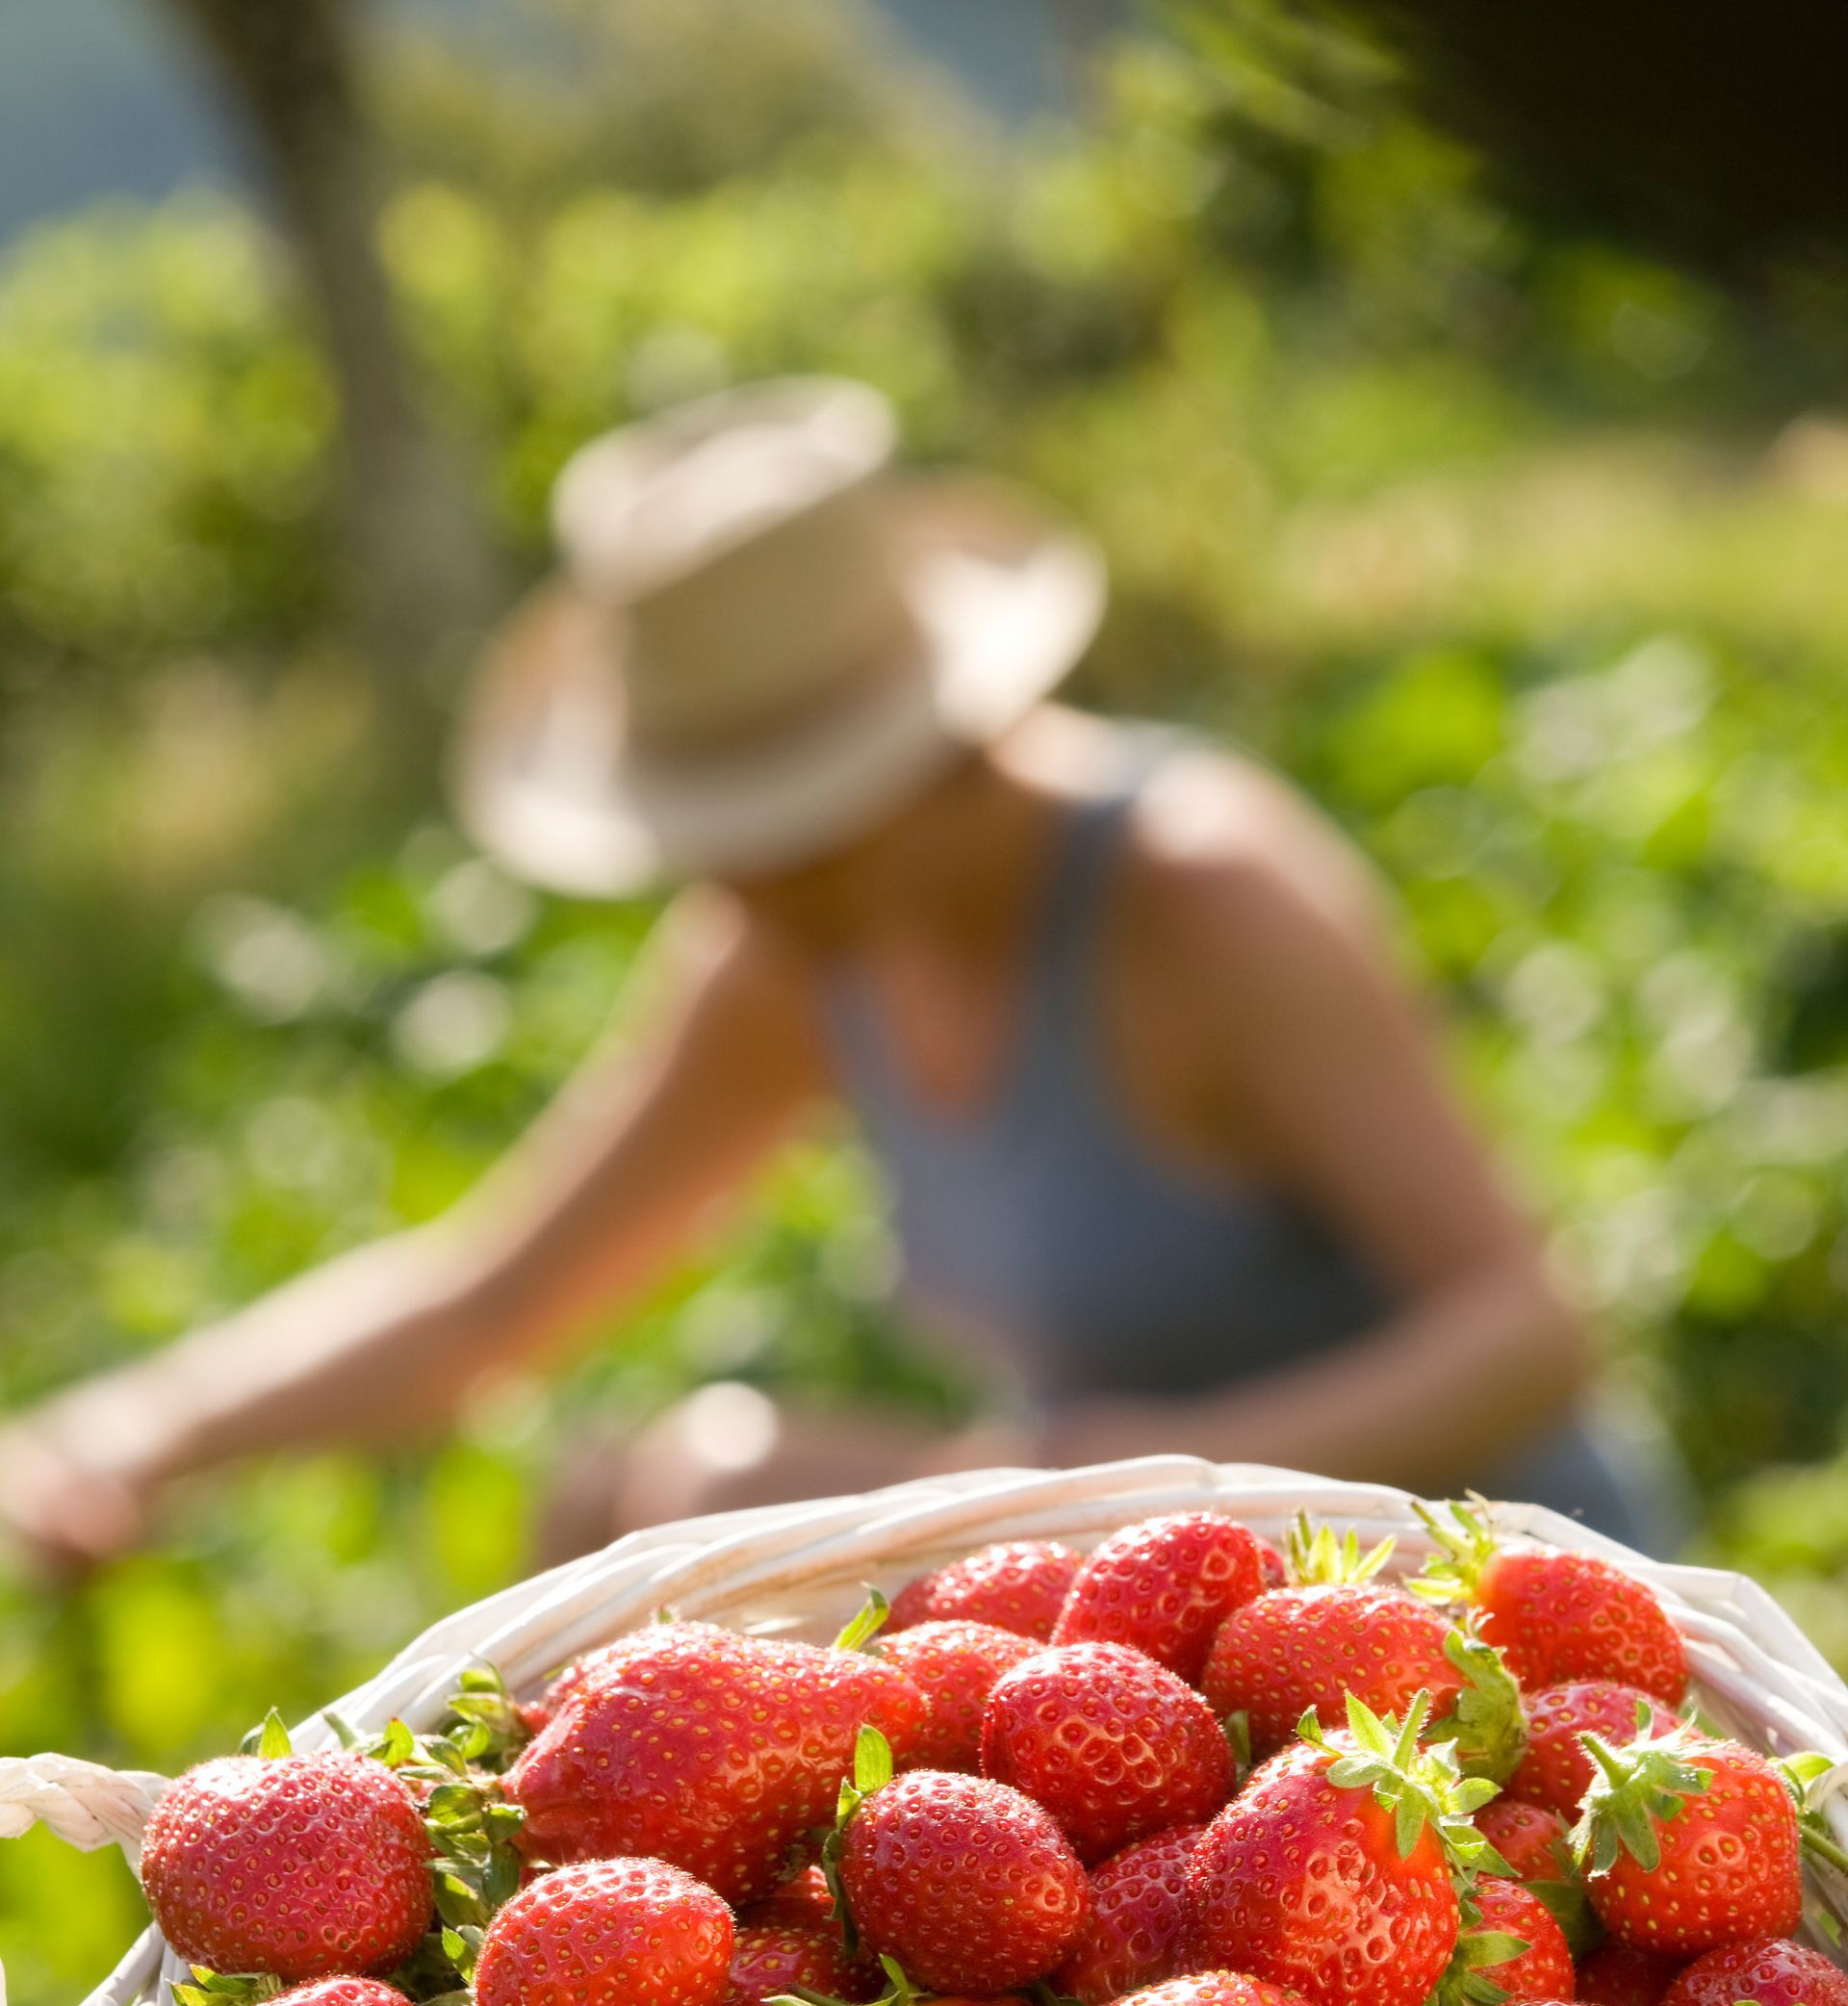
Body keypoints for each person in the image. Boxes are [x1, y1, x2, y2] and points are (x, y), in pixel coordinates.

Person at [0, 376, 1665, 1577]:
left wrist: (1056, 1484)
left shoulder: (1202, 898)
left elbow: (1525, 1337)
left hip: (1465, 1593)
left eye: (786, 825)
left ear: (935, 751)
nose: (732, 878)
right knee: (611, 1504)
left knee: (703, 1481)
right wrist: (125, 1432)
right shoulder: (792, 945)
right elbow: (496, 1296)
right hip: (1137, 1596)